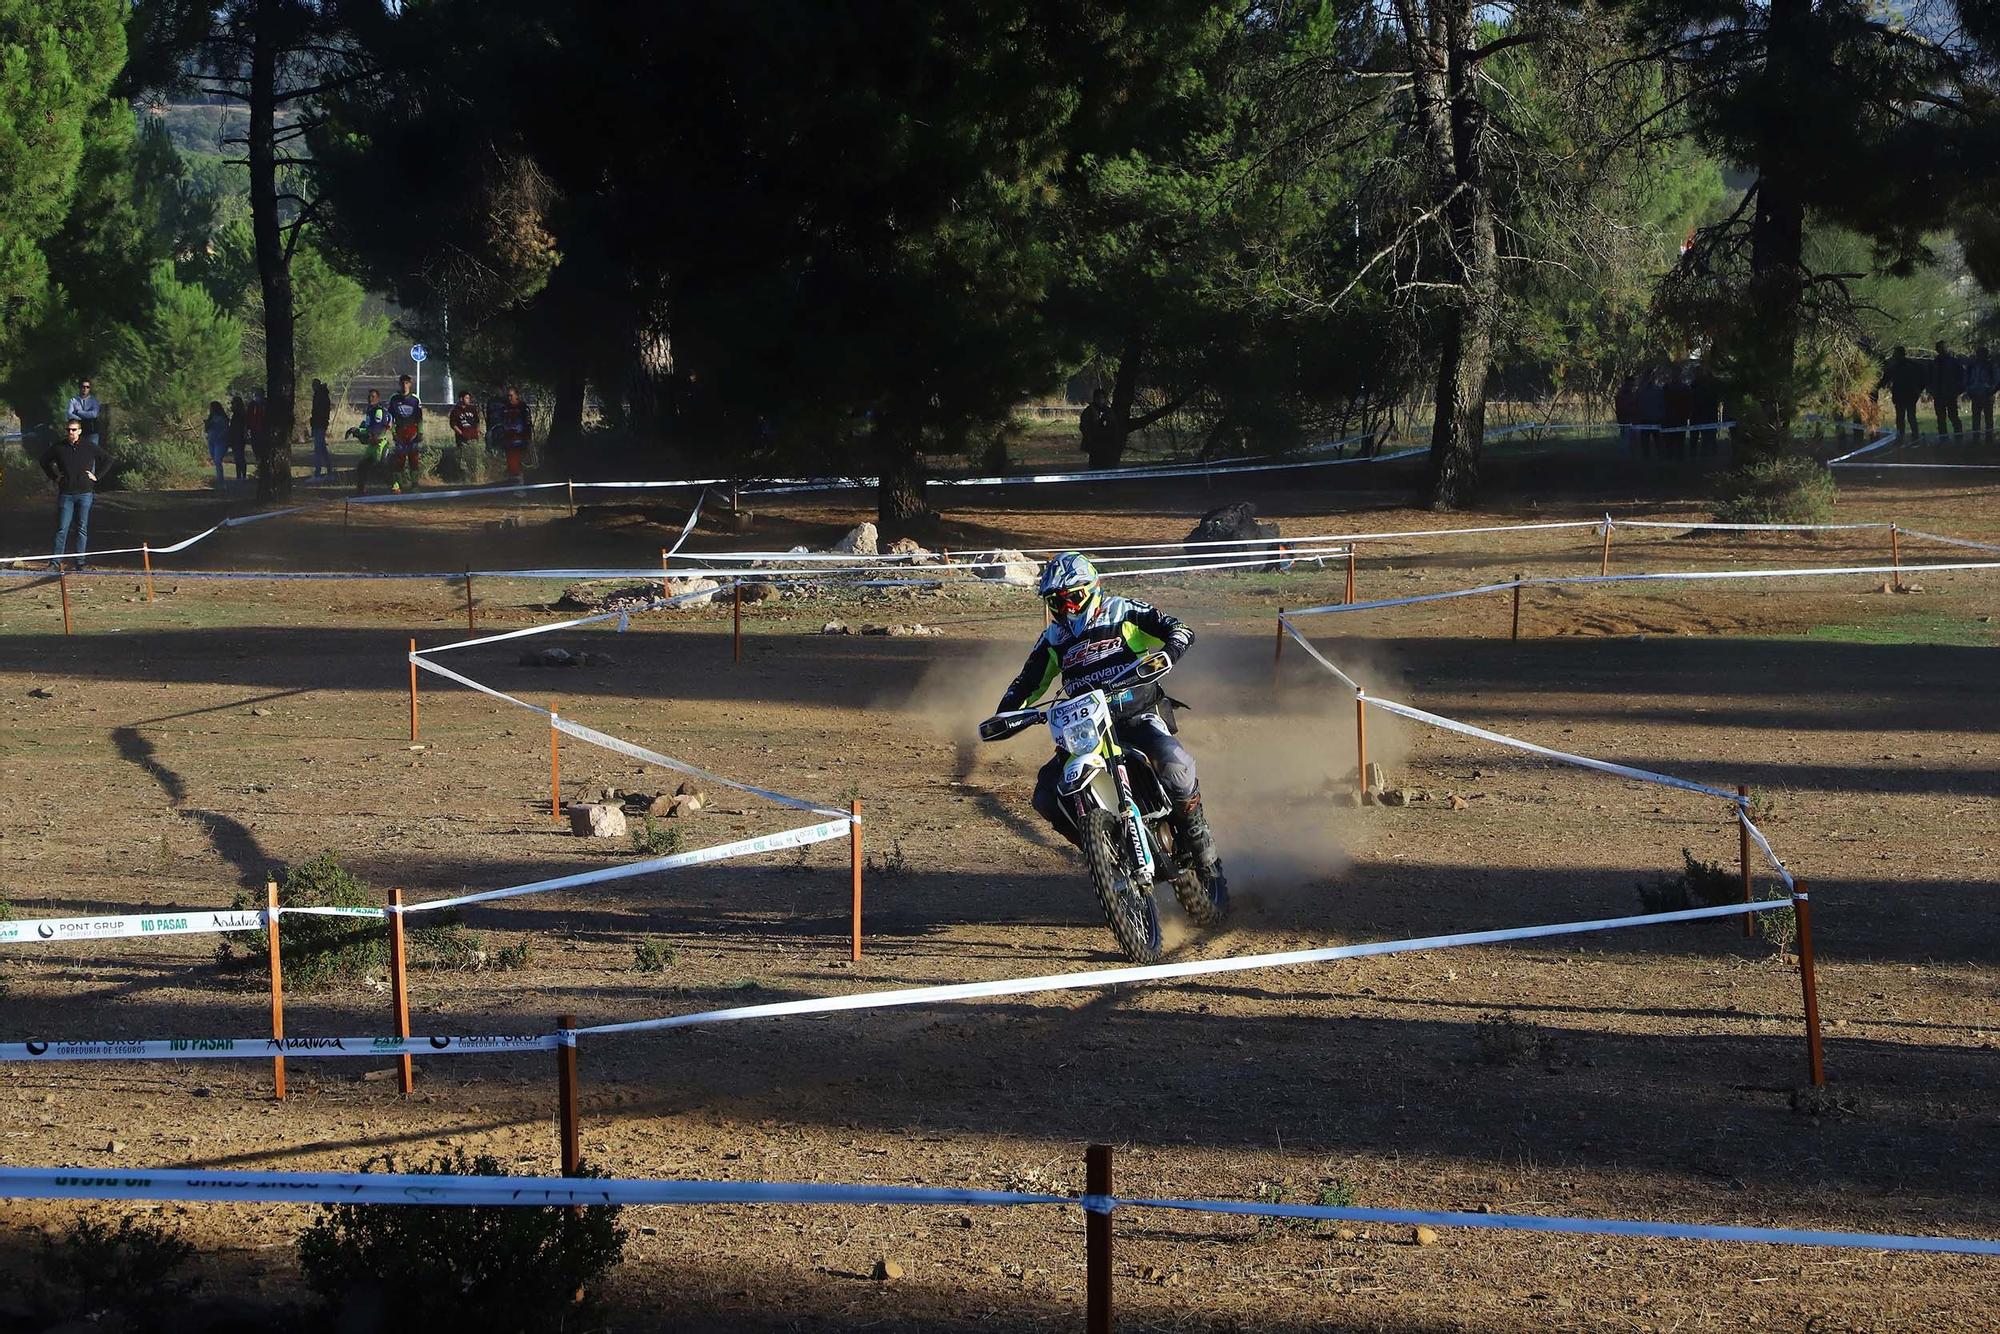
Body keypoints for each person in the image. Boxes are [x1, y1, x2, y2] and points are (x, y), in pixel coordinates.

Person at [994, 552, 1225, 890]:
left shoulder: (1122, 611)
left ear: (1093, 589)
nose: (1068, 609)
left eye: (1074, 598)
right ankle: (1103, 851)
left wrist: (1167, 653)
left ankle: (1196, 834)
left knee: (1176, 766)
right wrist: (1006, 712)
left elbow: (1179, 629)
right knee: (1046, 796)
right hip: (1084, 731)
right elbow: (1027, 683)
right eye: (1057, 603)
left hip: (1136, 714)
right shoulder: (1053, 639)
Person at [40, 418, 109, 570]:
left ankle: (80, 562)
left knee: (81, 527)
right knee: (62, 528)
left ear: (79, 431)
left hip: (85, 493)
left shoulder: (89, 446)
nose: (70, 432)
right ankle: (55, 562)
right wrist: (55, 476)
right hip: (66, 494)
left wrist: (97, 476)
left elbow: (108, 459)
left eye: (73, 430)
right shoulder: (59, 447)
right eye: (68, 430)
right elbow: (44, 461)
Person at [1873, 346, 1926, 440]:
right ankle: (1912, 436)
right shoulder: (1912, 365)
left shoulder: (1896, 366)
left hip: (1904, 395)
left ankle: (1904, 436)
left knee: (1903, 417)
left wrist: (1876, 387)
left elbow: (1885, 379)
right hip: (1907, 395)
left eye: (1895, 353)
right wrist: (1919, 390)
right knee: (1908, 417)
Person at [386, 373, 424, 491]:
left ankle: (415, 484)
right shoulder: (394, 398)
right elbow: (390, 418)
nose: (404, 386)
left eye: (407, 383)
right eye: (402, 383)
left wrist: (420, 433)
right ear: (399, 384)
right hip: (400, 431)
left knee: (414, 459)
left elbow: (420, 418)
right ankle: (398, 484)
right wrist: (393, 433)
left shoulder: (415, 399)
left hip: (412, 431)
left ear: (410, 385)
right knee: (399, 459)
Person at [351, 388, 391, 495]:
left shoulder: (378, 411)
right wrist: (358, 433)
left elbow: (375, 429)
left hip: (380, 444)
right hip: (372, 444)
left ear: (378, 398)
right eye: (369, 396)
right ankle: (361, 491)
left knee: (381, 468)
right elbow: (366, 426)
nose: (370, 399)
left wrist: (359, 430)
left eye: (373, 396)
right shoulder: (370, 410)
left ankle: (395, 488)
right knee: (362, 466)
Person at [494, 385, 531, 483]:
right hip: (508, 439)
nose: (509, 398)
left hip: (519, 439)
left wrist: (527, 437)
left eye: (511, 395)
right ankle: (514, 484)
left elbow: (527, 423)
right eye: (508, 396)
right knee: (510, 463)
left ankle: (520, 485)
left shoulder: (522, 407)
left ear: (516, 395)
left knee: (518, 462)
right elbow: (501, 422)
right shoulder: (504, 408)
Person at [1932, 341, 1965, 437]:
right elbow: (1930, 377)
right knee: (1940, 418)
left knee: (1953, 416)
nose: (1940, 350)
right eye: (1938, 348)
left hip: (1950, 393)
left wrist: (1958, 390)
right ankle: (1943, 437)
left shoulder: (1953, 361)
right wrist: (1931, 389)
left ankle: (1958, 436)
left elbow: (1961, 376)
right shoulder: (1935, 362)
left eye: (1942, 348)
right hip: (1938, 394)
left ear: (1946, 348)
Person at [1965, 346, 1996, 441]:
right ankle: (1976, 438)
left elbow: (1996, 379)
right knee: (1976, 418)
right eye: (1979, 354)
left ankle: (1989, 438)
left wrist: (1992, 391)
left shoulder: (1990, 366)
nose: (1980, 356)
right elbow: (1967, 379)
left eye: (1982, 354)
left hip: (1987, 394)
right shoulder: (1972, 366)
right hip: (1975, 394)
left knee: (1988, 418)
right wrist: (1969, 390)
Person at [66, 379, 102, 447]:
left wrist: (78, 412)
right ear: (80, 388)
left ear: (90, 389)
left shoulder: (94, 401)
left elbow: (94, 414)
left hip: (92, 430)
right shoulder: (73, 400)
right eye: (83, 386)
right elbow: (69, 414)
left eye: (87, 387)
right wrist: (81, 418)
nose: (85, 389)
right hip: (77, 431)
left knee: (92, 450)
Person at [309, 379, 333, 479]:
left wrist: (315, 424)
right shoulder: (320, 395)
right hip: (319, 424)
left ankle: (318, 473)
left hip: (320, 424)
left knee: (318, 449)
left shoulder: (320, 396)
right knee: (322, 449)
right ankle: (329, 471)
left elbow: (319, 412)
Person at [204, 400, 229, 487]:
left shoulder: (222, 418)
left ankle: (221, 481)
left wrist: (220, 437)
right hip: (211, 441)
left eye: (211, 407)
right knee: (215, 460)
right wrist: (207, 424)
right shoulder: (211, 417)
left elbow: (226, 429)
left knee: (218, 460)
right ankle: (219, 480)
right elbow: (206, 430)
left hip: (220, 442)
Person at [226, 393, 248, 479]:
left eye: (233, 403)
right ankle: (239, 475)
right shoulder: (235, 414)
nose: (232, 405)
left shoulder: (240, 414)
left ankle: (243, 475)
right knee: (238, 457)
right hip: (235, 438)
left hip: (239, 438)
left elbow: (243, 427)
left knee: (240, 457)